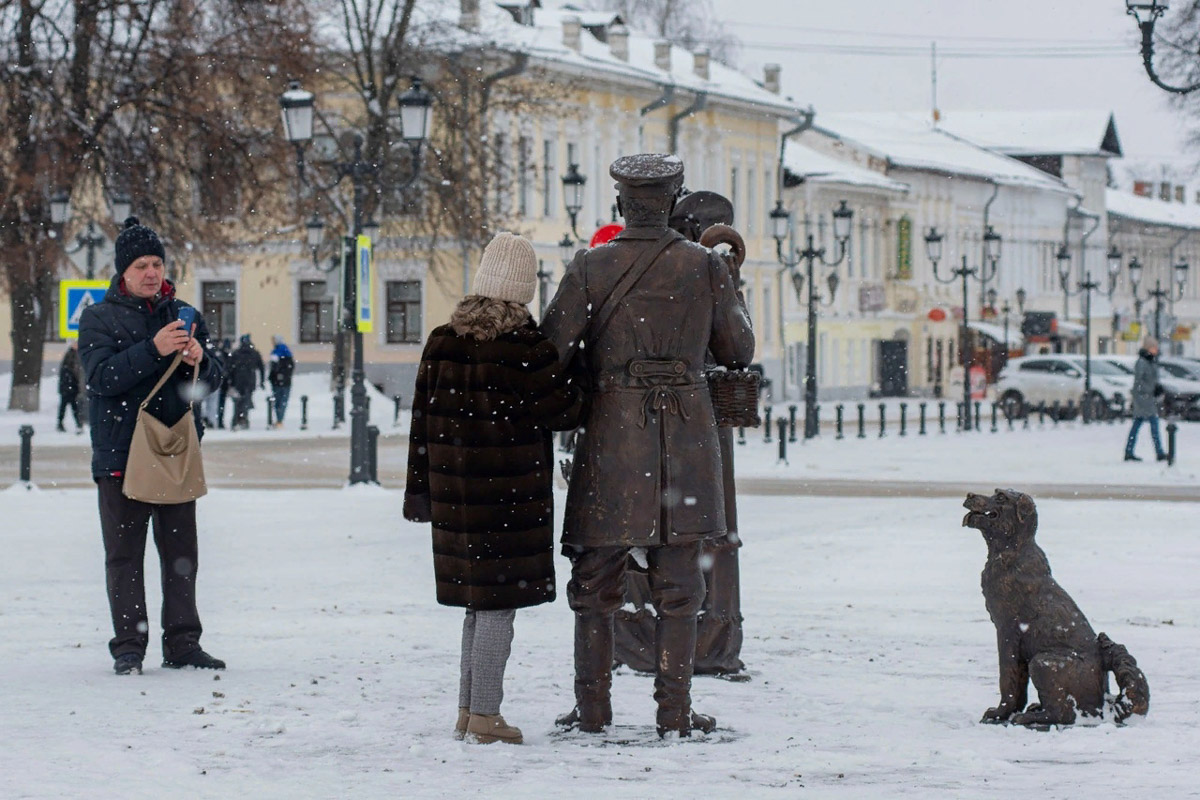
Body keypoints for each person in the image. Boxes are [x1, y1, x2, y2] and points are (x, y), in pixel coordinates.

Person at [542, 154, 755, 738]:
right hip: (686, 436)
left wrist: (596, 372)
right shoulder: (703, 267)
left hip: (613, 437)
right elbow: (738, 350)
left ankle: (592, 711)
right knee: (680, 585)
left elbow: (550, 352)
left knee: (594, 584)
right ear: (673, 200)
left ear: (619, 204)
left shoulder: (590, 267)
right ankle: (674, 713)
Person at [404, 232, 581, 745]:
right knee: (497, 606)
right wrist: (582, 372)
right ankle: (485, 715)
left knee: (476, 605)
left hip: (456, 503)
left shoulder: (442, 340)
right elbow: (565, 411)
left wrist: (421, 496)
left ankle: (468, 710)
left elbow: (420, 426)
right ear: (523, 291)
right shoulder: (524, 348)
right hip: (507, 503)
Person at [78, 216, 226, 675]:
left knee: (182, 556)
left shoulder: (184, 314)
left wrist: (202, 359)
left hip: (174, 453)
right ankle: (129, 647)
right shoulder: (98, 317)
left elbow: (211, 383)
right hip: (121, 454)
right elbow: (101, 379)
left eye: (157, 263)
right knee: (125, 556)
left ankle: (183, 643)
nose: (151, 272)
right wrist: (154, 349)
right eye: (141, 264)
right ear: (123, 272)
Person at [613, 190, 747, 677]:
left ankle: (650, 645)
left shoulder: (612, 263)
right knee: (700, 533)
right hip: (693, 419)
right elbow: (737, 348)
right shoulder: (705, 271)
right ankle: (700, 646)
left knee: (643, 534)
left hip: (635, 420)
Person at [1125, 335, 1168, 462]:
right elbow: (1139, 382)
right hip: (1144, 398)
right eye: (1154, 347)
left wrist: (1156, 387)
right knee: (1153, 424)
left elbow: (1150, 379)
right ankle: (1158, 452)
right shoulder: (1143, 362)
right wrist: (1150, 390)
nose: (1156, 349)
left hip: (1147, 398)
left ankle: (1129, 450)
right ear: (1149, 348)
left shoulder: (1150, 361)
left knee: (1137, 424)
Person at [228, 334, 264, 430]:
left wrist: (230, 381)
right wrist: (262, 381)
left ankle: (236, 420)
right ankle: (244, 419)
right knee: (246, 400)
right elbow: (261, 368)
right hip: (250, 380)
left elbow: (230, 368)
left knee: (238, 402)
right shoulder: (254, 353)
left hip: (238, 380)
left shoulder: (236, 353)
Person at [56, 341, 84, 433]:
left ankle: (65, 424)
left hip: (69, 387)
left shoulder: (72, 356)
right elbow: (75, 372)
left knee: (68, 407)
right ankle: (77, 424)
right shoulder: (72, 357)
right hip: (69, 387)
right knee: (71, 407)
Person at [268, 335, 295, 428]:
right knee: (282, 401)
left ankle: (279, 420)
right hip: (284, 382)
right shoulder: (287, 353)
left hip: (278, 382)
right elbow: (290, 368)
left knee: (279, 401)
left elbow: (274, 368)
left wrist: (276, 376)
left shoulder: (276, 353)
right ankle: (279, 420)